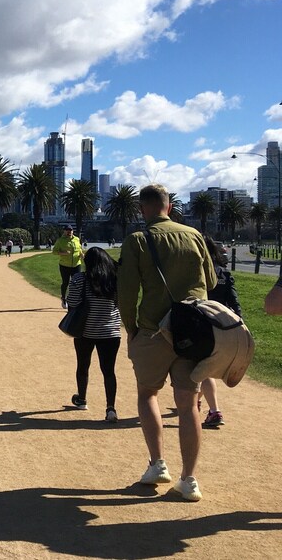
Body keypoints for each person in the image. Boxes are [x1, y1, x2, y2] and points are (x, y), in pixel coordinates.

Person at [118, 184, 217, 502]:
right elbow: (211, 281)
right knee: (188, 406)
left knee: (148, 394)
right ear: (169, 206)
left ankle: (157, 464)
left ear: (142, 209)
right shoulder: (194, 235)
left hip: (152, 330)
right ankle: (189, 479)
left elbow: (128, 291)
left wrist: (131, 328)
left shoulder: (137, 240)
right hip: (192, 331)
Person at [65, 247, 121, 422]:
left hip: (85, 330)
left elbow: (72, 302)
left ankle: (82, 400)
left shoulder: (79, 279)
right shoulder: (114, 280)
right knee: (109, 371)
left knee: (83, 366)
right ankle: (110, 408)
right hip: (111, 331)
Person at [200, 235, 242, 429]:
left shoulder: (198, 272)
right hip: (222, 327)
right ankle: (198, 399)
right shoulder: (225, 273)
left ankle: (214, 410)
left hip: (201, 326)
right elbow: (234, 303)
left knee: (204, 368)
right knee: (203, 367)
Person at [52, 225, 84, 308]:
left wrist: (82, 255)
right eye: (67, 230)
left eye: (71, 230)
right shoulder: (60, 241)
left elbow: (79, 249)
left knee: (76, 282)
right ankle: (63, 298)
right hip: (64, 265)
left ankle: (76, 300)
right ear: (64, 231)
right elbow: (54, 251)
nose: (69, 232)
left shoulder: (77, 239)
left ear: (73, 231)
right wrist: (63, 253)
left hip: (76, 264)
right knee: (65, 282)